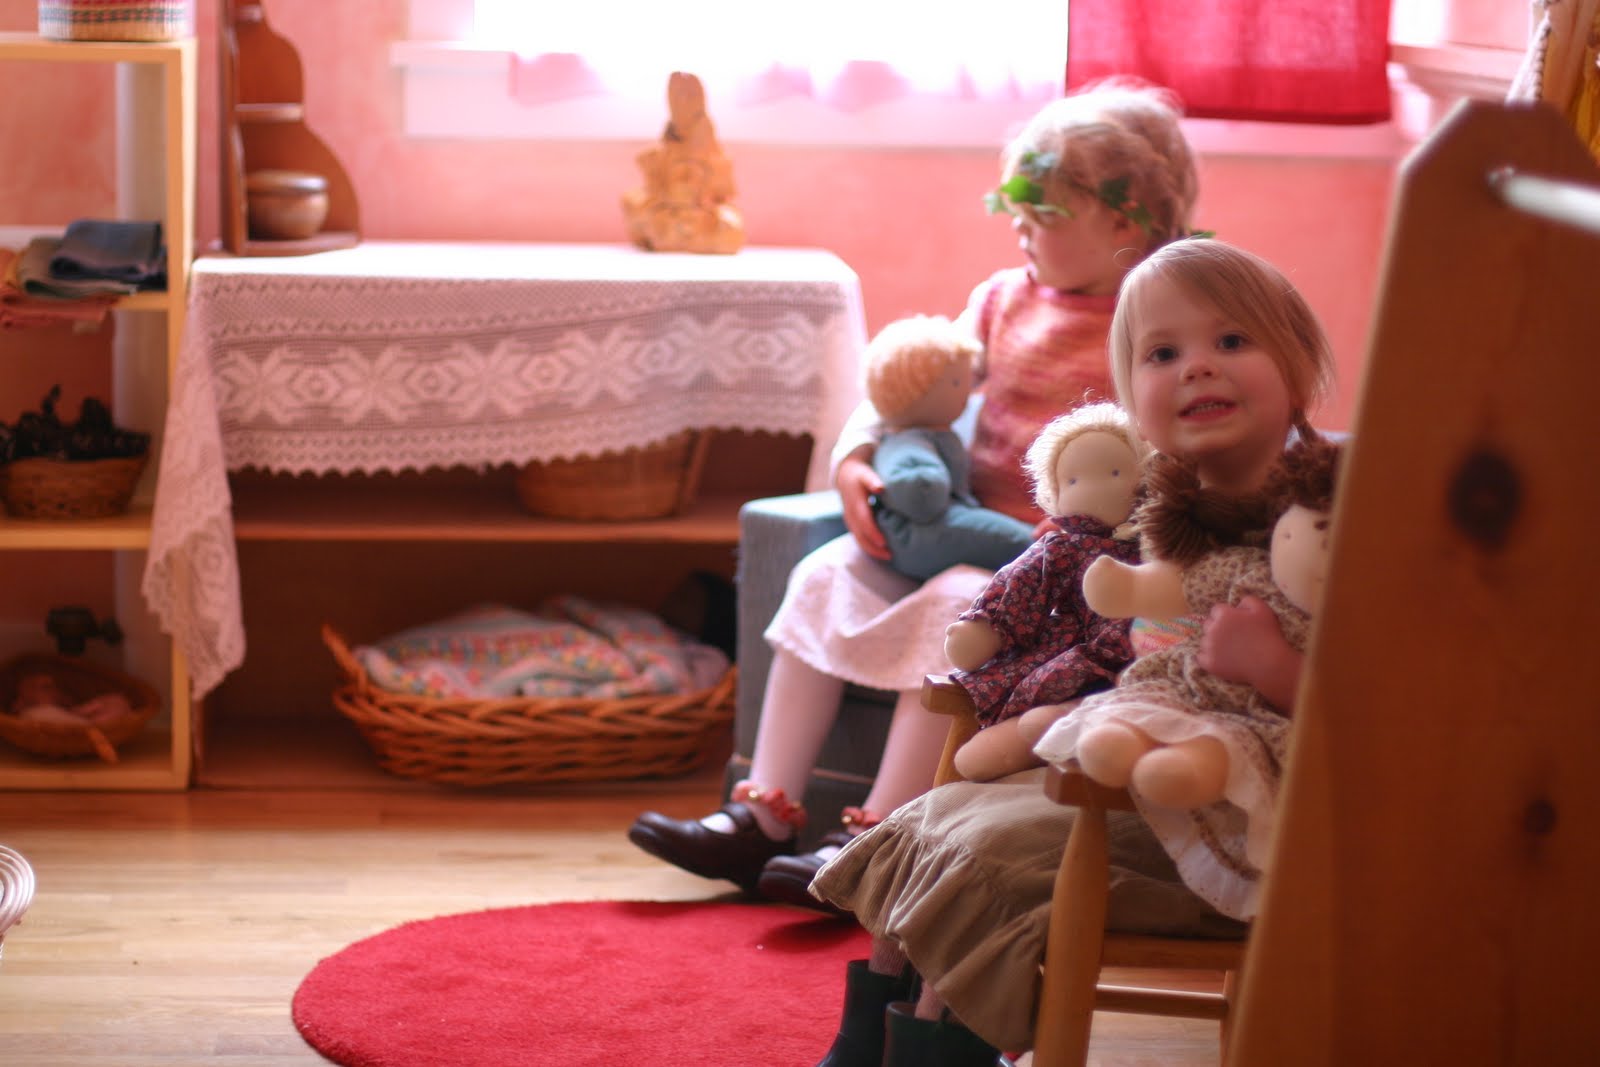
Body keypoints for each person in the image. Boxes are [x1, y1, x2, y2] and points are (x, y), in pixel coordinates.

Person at [627, 77, 1201, 911]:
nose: (1019, 228)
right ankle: (763, 811)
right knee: (824, 572)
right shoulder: (1003, 298)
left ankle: (876, 834)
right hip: (958, 523)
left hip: (1060, 570)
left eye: (1042, 215)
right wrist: (857, 453)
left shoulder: (1160, 314)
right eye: (1015, 211)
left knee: (956, 601)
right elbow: (912, 380)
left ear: (1125, 223)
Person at [807, 238, 1339, 1066]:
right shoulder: (1161, 509)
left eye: (1232, 340)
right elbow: (1113, 634)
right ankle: (870, 1044)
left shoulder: (1328, 512)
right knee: (929, 825)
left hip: (1250, 813)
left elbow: (1386, 704)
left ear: (1300, 363)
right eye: (1162, 354)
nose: (1198, 366)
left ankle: (935, 1050)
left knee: (987, 863)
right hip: (1132, 766)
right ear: (1133, 397)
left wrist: (1272, 665)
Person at [857, 313, 1036, 581]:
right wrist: (927, 479)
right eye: (957, 383)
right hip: (927, 529)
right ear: (917, 391)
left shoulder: (931, 435)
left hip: (954, 514)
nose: (967, 391)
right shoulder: (909, 442)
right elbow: (919, 494)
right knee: (1015, 540)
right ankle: (1038, 549)